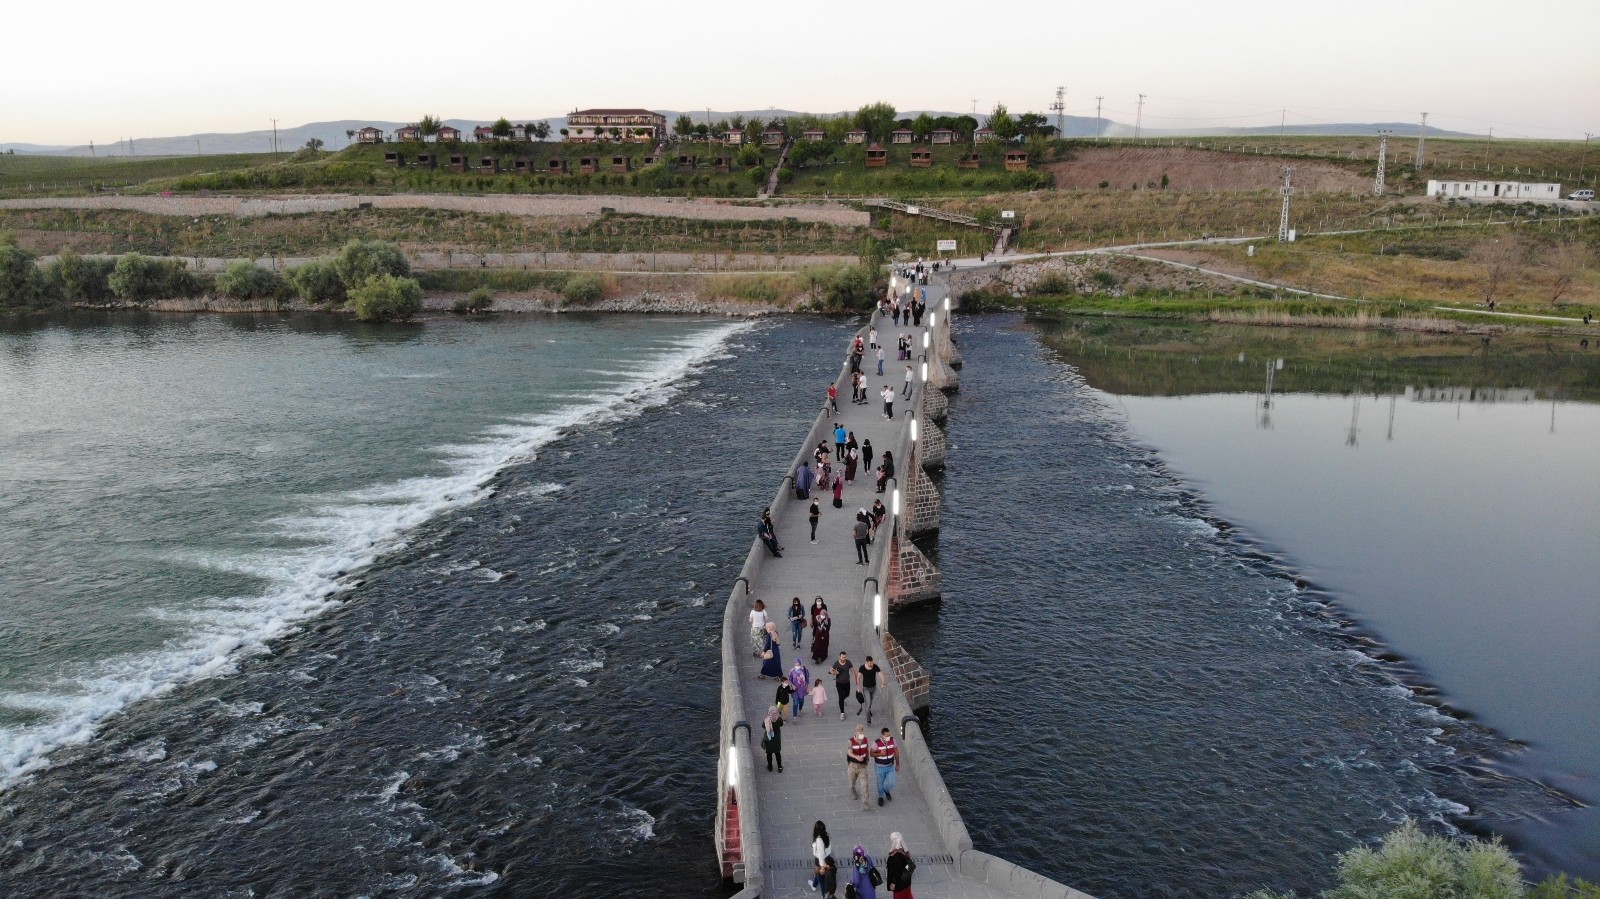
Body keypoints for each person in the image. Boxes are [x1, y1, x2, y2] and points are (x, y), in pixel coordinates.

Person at [846, 724, 872, 811]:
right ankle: (852, 790)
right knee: (852, 781)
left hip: (862, 766)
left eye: (862, 734)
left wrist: (867, 759)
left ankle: (865, 803)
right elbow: (849, 752)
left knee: (864, 785)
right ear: (855, 734)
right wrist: (856, 757)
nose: (861, 736)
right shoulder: (850, 742)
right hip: (853, 765)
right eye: (859, 734)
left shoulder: (865, 740)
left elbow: (867, 750)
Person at [872, 727, 899, 806]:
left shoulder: (893, 741)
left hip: (890, 766)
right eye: (886, 736)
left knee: (891, 783)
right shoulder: (876, 743)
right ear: (882, 736)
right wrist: (880, 753)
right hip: (879, 767)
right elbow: (871, 754)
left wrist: (897, 764)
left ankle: (886, 790)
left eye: (889, 735)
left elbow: (896, 752)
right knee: (880, 783)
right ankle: (880, 797)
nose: (888, 737)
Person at [885, 833, 916, 899]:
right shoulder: (904, 852)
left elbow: (897, 871)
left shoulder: (897, 856)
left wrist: (893, 882)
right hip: (906, 882)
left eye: (893, 840)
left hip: (899, 884)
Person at [855, 655, 882, 722]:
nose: (871, 664)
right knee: (868, 702)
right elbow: (858, 677)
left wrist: (883, 682)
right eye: (869, 663)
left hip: (873, 688)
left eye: (872, 662)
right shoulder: (862, 668)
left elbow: (880, 674)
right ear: (866, 662)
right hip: (866, 688)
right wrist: (858, 687)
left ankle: (869, 710)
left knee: (871, 701)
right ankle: (868, 720)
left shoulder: (875, 666)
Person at [810, 821, 833, 895]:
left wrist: (822, 867)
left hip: (821, 861)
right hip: (828, 857)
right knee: (818, 874)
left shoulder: (819, 840)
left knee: (821, 878)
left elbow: (821, 854)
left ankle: (824, 895)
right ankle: (814, 885)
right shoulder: (826, 835)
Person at [829, 652, 854, 719]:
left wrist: (856, 678)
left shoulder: (848, 662)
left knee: (847, 694)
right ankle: (842, 713)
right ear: (839, 657)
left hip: (847, 682)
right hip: (839, 683)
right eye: (843, 657)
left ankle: (842, 699)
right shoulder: (836, 663)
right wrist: (834, 672)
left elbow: (853, 670)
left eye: (845, 657)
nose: (844, 658)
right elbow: (831, 670)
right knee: (841, 697)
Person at [761, 705, 784, 772]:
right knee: (777, 754)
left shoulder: (767, 720)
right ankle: (779, 767)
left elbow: (763, 726)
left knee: (769, 754)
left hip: (769, 740)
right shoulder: (779, 719)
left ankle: (770, 767)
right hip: (776, 740)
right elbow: (781, 724)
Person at [788, 657, 811, 721]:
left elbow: (807, 678)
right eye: (796, 665)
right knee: (795, 703)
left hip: (802, 689)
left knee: (801, 701)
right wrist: (792, 685)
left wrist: (807, 686)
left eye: (798, 665)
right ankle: (794, 716)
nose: (797, 666)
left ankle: (800, 710)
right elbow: (789, 679)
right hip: (795, 690)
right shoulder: (792, 671)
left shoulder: (804, 670)